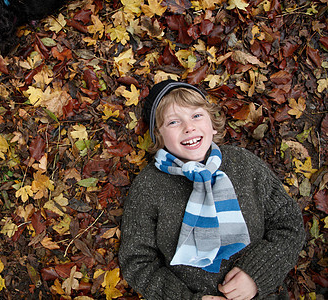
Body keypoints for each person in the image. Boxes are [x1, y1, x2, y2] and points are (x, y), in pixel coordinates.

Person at [119, 79, 305, 299]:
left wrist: (256, 274)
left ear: (212, 123)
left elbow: (288, 222)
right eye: (173, 122)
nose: (189, 127)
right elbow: (137, 261)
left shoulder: (244, 164)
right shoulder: (149, 186)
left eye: (196, 116)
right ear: (158, 136)